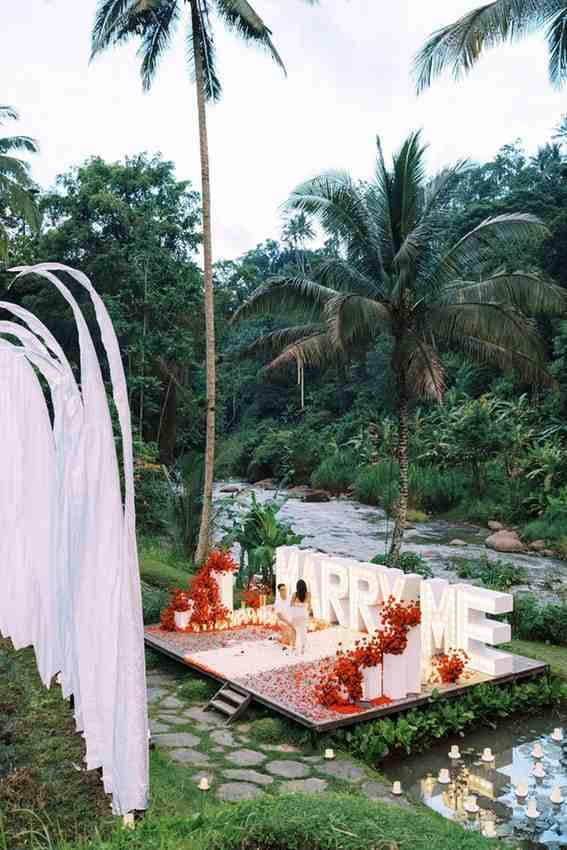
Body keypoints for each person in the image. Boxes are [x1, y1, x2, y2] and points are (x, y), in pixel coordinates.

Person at [290, 579, 311, 655]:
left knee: (294, 630)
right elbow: (309, 606)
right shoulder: (308, 594)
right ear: (305, 586)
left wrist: (297, 604)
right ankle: (303, 647)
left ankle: (294, 646)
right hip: (304, 615)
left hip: (296, 615)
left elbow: (291, 604)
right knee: (303, 632)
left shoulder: (295, 594)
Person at [275, 583, 295, 648]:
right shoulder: (277, 601)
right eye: (282, 589)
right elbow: (280, 616)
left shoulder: (290, 598)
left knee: (289, 639)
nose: (284, 591)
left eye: (285, 589)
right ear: (279, 591)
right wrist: (288, 623)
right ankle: (282, 640)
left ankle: (281, 638)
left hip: (290, 619)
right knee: (287, 630)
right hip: (282, 620)